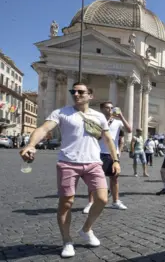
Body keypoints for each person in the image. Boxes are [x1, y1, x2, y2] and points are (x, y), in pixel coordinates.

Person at [19, 82, 120, 258]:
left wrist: (116, 160)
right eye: (74, 91)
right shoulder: (61, 113)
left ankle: (86, 230)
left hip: (93, 162)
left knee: (103, 199)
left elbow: (109, 139)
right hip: (68, 162)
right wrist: (31, 144)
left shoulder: (99, 116)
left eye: (81, 92)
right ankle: (67, 240)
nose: (76, 94)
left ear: (90, 95)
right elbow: (43, 128)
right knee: (66, 203)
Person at [83, 101, 132, 214]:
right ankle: (90, 203)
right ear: (102, 109)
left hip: (112, 154)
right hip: (97, 153)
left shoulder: (118, 122)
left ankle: (115, 201)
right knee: (93, 179)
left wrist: (121, 116)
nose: (110, 110)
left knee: (114, 178)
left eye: (111, 108)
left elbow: (129, 130)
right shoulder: (96, 120)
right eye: (107, 108)